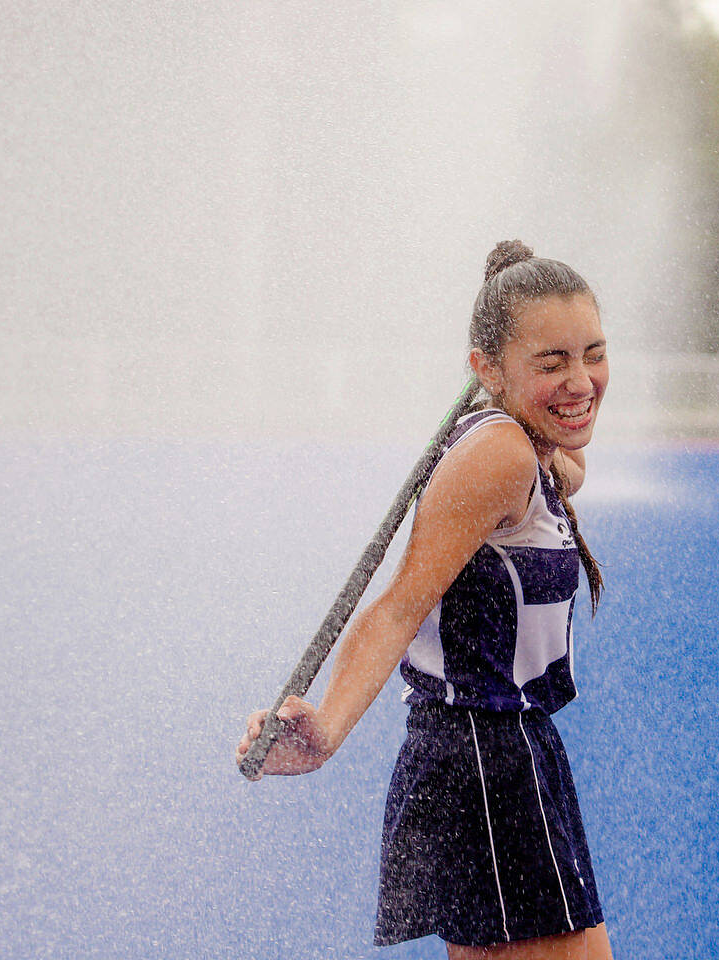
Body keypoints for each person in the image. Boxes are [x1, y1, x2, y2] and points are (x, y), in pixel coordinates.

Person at [236, 240, 615, 960]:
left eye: (592, 352)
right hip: (487, 760)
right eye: (551, 361)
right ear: (485, 368)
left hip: (492, 753)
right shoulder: (500, 455)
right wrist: (327, 729)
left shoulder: (523, 449)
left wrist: (523, 373)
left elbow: (572, 467)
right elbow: (400, 607)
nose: (582, 381)